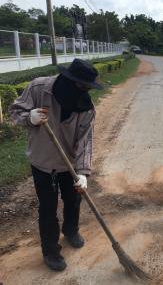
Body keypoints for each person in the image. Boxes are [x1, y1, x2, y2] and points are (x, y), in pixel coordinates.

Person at [9, 58, 103, 271]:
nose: (84, 91)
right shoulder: (39, 88)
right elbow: (15, 112)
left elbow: (85, 142)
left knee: (73, 200)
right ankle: (51, 251)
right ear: (68, 79)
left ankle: (70, 230)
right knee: (48, 207)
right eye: (81, 86)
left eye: (88, 88)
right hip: (42, 162)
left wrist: (83, 174)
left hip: (68, 165)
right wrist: (28, 118)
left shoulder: (86, 108)